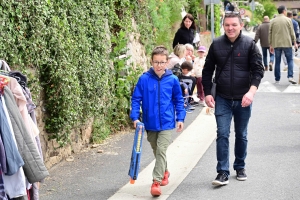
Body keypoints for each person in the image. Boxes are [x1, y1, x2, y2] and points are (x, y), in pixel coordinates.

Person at [202, 11, 264, 186]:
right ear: (223, 26)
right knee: (222, 134)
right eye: (227, 25)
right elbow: (207, 71)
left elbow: (258, 71)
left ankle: (240, 166)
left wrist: (251, 93)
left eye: (234, 25)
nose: (230, 28)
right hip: (222, 97)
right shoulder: (216, 45)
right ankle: (222, 172)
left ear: (241, 25)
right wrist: (207, 93)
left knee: (241, 134)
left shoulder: (250, 44)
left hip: (243, 97)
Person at [130, 45, 186, 197]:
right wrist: (135, 117)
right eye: (156, 62)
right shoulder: (144, 79)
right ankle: (165, 171)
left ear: (167, 62)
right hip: (150, 123)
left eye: (162, 62)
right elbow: (136, 99)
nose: (159, 65)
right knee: (156, 150)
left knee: (161, 149)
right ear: (151, 61)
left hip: (167, 122)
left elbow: (178, 100)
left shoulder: (173, 80)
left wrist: (180, 118)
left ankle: (156, 181)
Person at [269, 5, 298, 84]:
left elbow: (270, 33)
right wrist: (295, 42)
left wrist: (271, 45)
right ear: (284, 11)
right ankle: (290, 76)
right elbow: (292, 32)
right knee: (290, 60)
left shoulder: (273, 21)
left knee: (277, 61)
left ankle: (277, 78)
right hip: (287, 43)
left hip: (277, 44)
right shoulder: (288, 20)